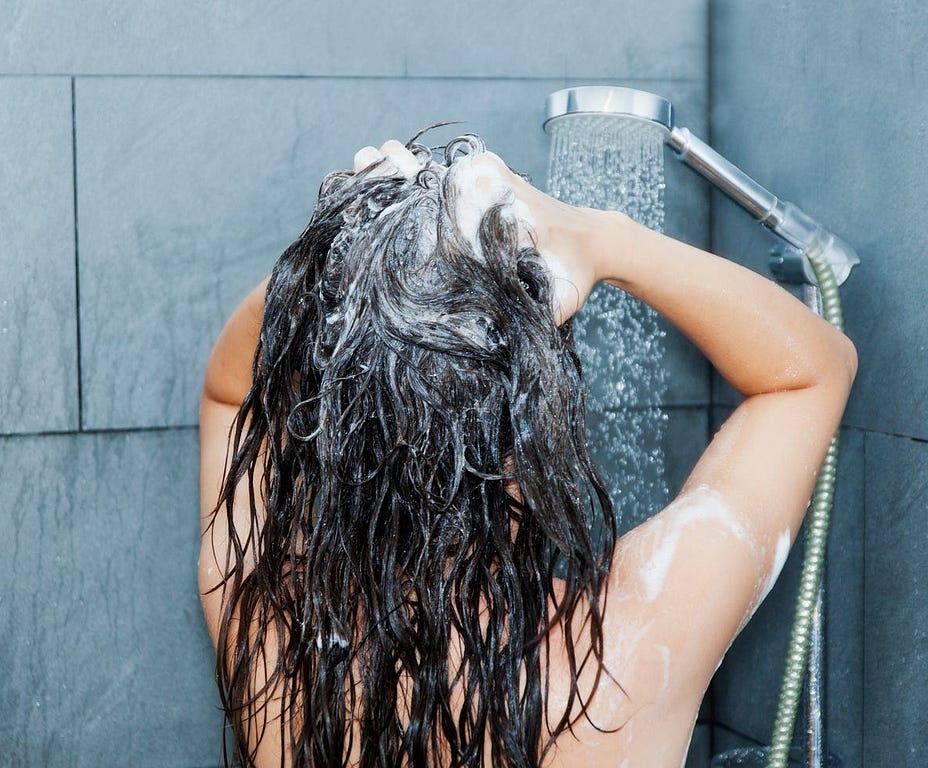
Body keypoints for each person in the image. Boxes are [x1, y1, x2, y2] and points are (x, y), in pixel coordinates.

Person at [197, 132, 857, 768]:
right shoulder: (629, 649)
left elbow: (231, 392)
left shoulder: (272, 632)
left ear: (343, 427)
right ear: (528, 426)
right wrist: (600, 241)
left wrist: (345, 252)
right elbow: (809, 374)